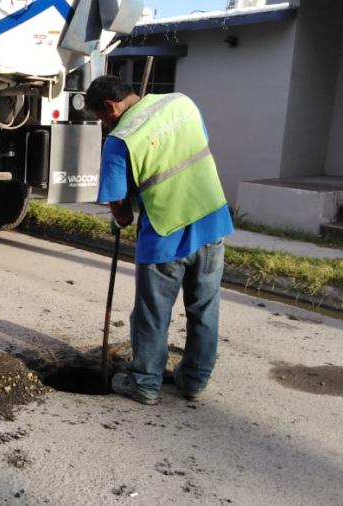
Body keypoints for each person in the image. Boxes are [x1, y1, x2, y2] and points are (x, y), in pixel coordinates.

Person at [85, 75, 234, 404]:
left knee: (152, 314)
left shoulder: (119, 139)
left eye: (100, 118)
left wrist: (121, 220)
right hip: (211, 222)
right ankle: (194, 380)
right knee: (204, 309)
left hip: (165, 234)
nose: (103, 124)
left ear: (110, 107)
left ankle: (145, 382)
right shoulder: (181, 103)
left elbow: (119, 205)